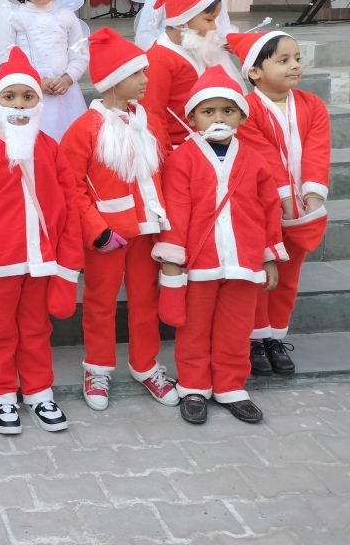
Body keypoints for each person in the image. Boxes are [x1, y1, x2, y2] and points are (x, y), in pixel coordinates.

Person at [0, 47, 83, 434]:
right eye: (9, 96)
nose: (19, 104)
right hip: (1, 262)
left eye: (28, 96)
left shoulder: (50, 148)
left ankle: (38, 391)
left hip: (42, 260)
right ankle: (2, 393)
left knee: (36, 328)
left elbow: (68, 205)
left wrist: (66, 257)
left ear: (38, 101)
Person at [153, 66, 286, 425]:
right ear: (192, 117)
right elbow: (176, 209)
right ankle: (194, 386)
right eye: (208, 111)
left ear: (242, 116)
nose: (218, 118)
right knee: (194, 328)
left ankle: (230, 385)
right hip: (200, 262)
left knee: (236, 328)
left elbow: (269, 208)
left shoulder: (254, 159)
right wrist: (172, 260)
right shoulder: (182, 159)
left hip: (244, 260)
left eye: (228, 110)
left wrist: (269, 256)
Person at [59, 28, 179, 411]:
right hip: (107, 237)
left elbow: (166, 175)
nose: (145, 79)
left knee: (146, 300)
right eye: (137, 73)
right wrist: (97, 231)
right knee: (100, 302)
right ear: (113, 80)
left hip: (148, 232)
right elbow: (71, 187)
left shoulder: (150, 121)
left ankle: (146, 365)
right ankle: (97, 367)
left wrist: (168, 227)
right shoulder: (85, 129)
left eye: (144, 71)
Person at [227, 31, 331, 376]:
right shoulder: (246, 110)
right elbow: (265, 159)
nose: (295, 66)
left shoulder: (312, 105)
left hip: (301, 210)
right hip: (261, 208)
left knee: (288, 275)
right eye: (283, 60)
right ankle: (254, 338)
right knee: (261, 273)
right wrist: (285, 200)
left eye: (297, 58)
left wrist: (312, 197)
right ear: (255, 72)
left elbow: (317, 152)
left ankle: (275, 336)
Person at [141, 0, 234, 151]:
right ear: (182, 22)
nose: (215, 27)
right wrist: (166, 155)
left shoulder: (195, 47)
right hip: (178, 148)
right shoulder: (159, 59)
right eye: (209, 20)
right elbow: (152, 114)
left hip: (206, 142)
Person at [7, 0, 89, 141]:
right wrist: (34, 80)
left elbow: (80, 53)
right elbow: (7, 56)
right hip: (28, 90)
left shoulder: (67, 16)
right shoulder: (16, 17)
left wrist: (68, 79)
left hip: (64, 91)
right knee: (35, 141)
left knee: (68, 139)